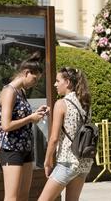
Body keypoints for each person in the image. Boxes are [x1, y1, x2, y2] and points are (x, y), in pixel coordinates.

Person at [0, 51, 48, 201]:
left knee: (24, 196)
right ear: (26, 73)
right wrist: (30, 118)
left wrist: (36, 114)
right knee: (12, 197)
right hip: (11, 149)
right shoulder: (9, 92)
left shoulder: (21, 92)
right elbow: (6, 125)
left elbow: (22, 117)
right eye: (35, 78)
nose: (35, 83)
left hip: (25, 148)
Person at [39, 67, 93, 201]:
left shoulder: (61, 104)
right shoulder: (85, 103)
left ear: (67, 82)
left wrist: (47, 162)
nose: (55, 84)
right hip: (83, 162)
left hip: (67, 161)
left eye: (58, 81)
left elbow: (54, 138)